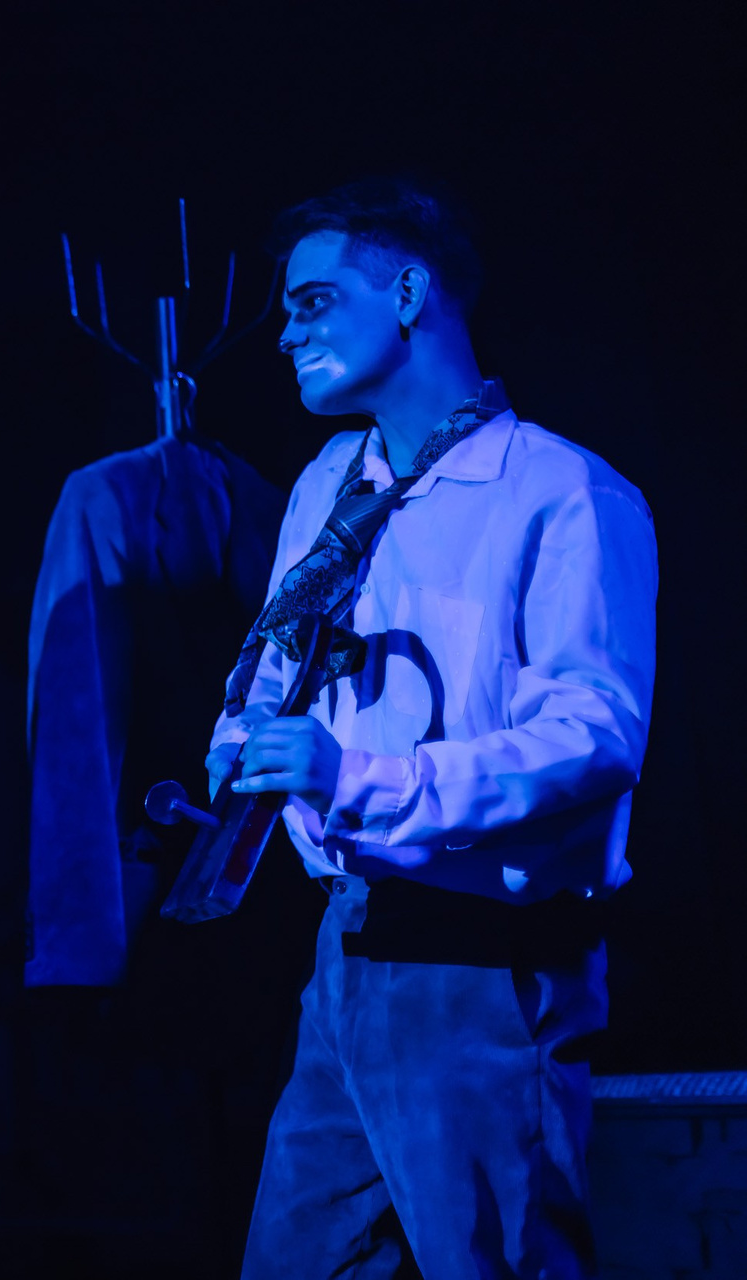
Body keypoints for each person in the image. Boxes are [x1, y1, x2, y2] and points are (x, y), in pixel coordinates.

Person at [209, 181, 655, 1277]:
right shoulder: (332, 483)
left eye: (314, 301)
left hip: (483, 960)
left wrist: (358, 776)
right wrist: (243, 745)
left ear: (408, 294)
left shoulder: (559, 489)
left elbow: (594, 734)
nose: (286, 333)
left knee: (495, 1261)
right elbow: (271, 663)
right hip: (348, 947)